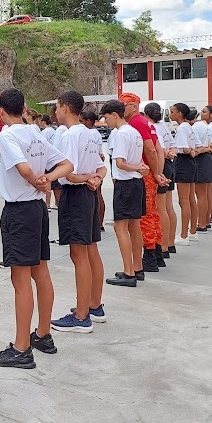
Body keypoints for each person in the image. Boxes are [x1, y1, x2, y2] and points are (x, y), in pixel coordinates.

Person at [0, 89, 71, 368]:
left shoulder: (9, 135)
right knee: (41, 272)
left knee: (21, 280)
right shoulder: (36, 132)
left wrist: (37, 179)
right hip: (37, 209)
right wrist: (47, 178)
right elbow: (66, 164)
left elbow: (24, 170)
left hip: (20, 211)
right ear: (24, 108)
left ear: (1, 111)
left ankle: (21, 348)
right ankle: (43, 333)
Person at [51, 91, 106, 333]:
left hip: (76, 195)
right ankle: (94, 304)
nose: (55, 112)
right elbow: (102, 168)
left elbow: (69, 173)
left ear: (65, 107)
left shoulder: (71, 135)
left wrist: (86, 178)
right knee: (91, 249)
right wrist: (94, 178)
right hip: (89, 194)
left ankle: (82, 316)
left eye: (57, 107)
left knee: (79, 255)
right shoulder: (91, 133)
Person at [101, 100, 148, 287]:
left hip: (126, 183)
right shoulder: (134, 132)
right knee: (134, 226)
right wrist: (138, 167)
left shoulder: (121, 134)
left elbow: (120, 162)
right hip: (136, 182)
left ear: (114, 114)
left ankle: (128, 272)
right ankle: (137, 267)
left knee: (120, 228)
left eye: (106, 117)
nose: (106, 122)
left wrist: (135, 167)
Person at [120, 93, 168, 273]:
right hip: (149, 172)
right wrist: (157, 172)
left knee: (144, 216)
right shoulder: (145, 123)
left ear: (133, 106)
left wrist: (154, 173)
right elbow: (157, 149)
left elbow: (150, 149)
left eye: (123, 105)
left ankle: (149, 256)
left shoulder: (136, 123)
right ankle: (156, 250)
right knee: (152, 213)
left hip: (142, 173)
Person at [146, 102, 178, 257]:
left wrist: (157, 172)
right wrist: (170, 153)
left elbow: (158, 150)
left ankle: (163, 246)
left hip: (161, 167)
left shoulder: (152, 127)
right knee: (168, 206)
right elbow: (173, 146)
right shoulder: (164, 126)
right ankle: (170, 243)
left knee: (160, 209)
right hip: (169, 166)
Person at [171, 104, 199, 246]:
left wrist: (189, 151)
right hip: (191, 163)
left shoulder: (182, 128)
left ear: (180, 114)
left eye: (172, 112)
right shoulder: (189, 127)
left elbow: (185, 148)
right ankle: (192, 231)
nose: (170, 115)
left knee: (184, 201)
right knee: (190, 199)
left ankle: (183, 235)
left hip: (183, 162)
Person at [81, 110, 107, 230]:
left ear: (88, 121)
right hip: (96, 162)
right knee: (97, 195)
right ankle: (98, 222)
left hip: (93, 165)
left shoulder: (90, 133)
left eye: (82, 121)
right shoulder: (95, 133)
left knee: (96, 195)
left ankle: (98, 221)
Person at [191, 108, 212, 235]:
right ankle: (205, 221)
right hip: (208, 159)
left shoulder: (196, 127)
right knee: (206, 193)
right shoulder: (206, 126)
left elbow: (196, 147)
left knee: (200, 194)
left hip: (201, 159)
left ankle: (201, 223)